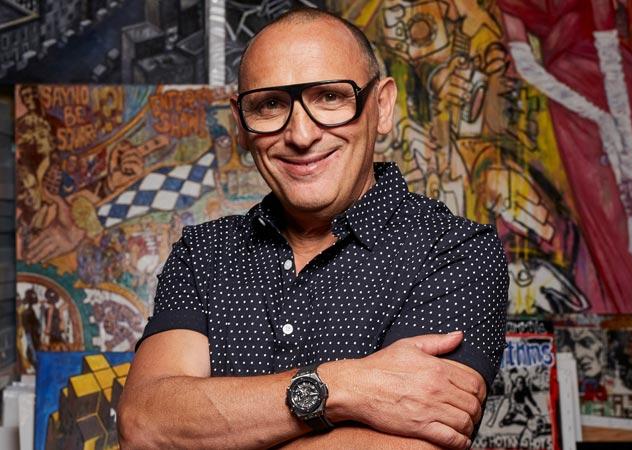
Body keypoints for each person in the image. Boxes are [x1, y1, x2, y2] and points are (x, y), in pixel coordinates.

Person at [117, 8, 508, 449]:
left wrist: (212, 432)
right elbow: (144, 425)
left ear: (381, 107)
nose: (301, 135)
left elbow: (414, 444)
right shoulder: (203, 252)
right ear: (241, 124)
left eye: (329, 97)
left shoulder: (456, 250)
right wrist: (343, 386)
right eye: (270, 104)